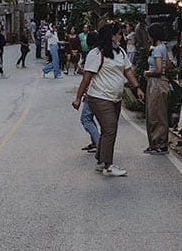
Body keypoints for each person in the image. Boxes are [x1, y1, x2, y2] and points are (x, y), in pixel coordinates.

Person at [72, 22, 143, 177]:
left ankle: (101, 160)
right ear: (112, 36)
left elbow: (128, 71)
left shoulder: (121, 52)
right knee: (110, 130)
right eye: (118, 34)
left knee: (107, 131)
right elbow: (87, 77)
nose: (121, 36)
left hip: (115, 98)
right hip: (99, 97)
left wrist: (136, 87)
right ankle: (108, 166)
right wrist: (78, 98)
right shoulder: (96, 54)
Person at [144, 23, 174, 153]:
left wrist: (147, 73)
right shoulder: (162, 47)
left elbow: (159, 69)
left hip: (156, 82)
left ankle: (159, 144)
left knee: (155, 113)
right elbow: (168, 64)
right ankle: (157, 143)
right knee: (158, 112)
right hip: (161, 82)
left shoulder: (157, 49)